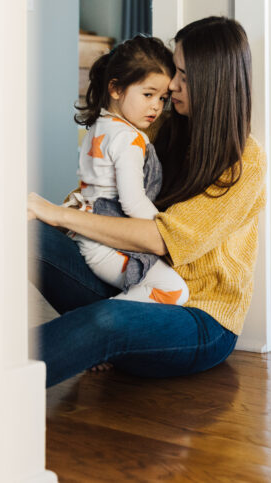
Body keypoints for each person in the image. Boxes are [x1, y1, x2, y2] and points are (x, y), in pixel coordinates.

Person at [28, 16, 266, 388]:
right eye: (176, 71)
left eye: (184, 75)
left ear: (212, 81)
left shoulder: (245, 161)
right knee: (30, 234)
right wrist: (57, 213)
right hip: (133, 282)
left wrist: (59, 214)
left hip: (196, 318)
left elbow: (162, 240)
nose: (171, 84)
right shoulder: (158, 125)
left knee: (105, 321)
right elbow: (100, 192)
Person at [68, 35, 189, 306]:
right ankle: (99, 318)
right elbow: (133, 202)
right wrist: (166, 232)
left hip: (91, 233)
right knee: (175, 290)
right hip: (109, 245)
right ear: (116, 88)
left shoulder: (102, 125)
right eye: (148, 94)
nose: (157, 106)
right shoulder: (128, 139)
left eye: (163, 98)